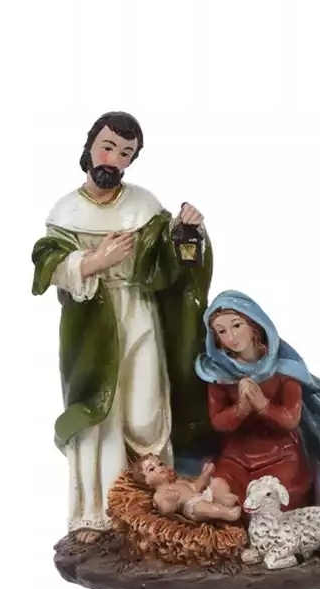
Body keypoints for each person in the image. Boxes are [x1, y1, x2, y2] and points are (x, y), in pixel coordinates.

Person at [32, 112, 213, 543]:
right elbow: (48, 263)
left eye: (125, 153)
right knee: (100, 413)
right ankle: (97, 513)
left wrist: (188, 230)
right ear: (91, 146)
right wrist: (94, 262)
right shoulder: (66, 211)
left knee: (146, 407)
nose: (113, 159)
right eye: (108, 147)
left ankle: (154, 505)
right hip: (92, 323)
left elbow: (174, 264)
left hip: (140, 313)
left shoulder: (144, 207)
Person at [195, 290, 320, 517]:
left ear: (254, 325)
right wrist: (241, 409)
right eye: (222, 331)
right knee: (220, 491)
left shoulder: (284, 370)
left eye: (237, 325)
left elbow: (290, 419)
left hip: (281, 454)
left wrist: (262, 405)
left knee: (277, 499)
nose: (231, 336)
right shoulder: (218, 374)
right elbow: (218, 422)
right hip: (236, 456)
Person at [130, 454, 241, 522]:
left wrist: (205, 475)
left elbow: (196, 487)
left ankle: (226, 498)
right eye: (151, 469)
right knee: (202, 507)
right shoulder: (159, 494)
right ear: (147, 481)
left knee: (217, 482)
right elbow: (165, 512)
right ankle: (226, 512)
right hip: (192, 506)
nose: (160, 468)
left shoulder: (179, 482)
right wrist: (170, 502)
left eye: (160, 464)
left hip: (202, 495)